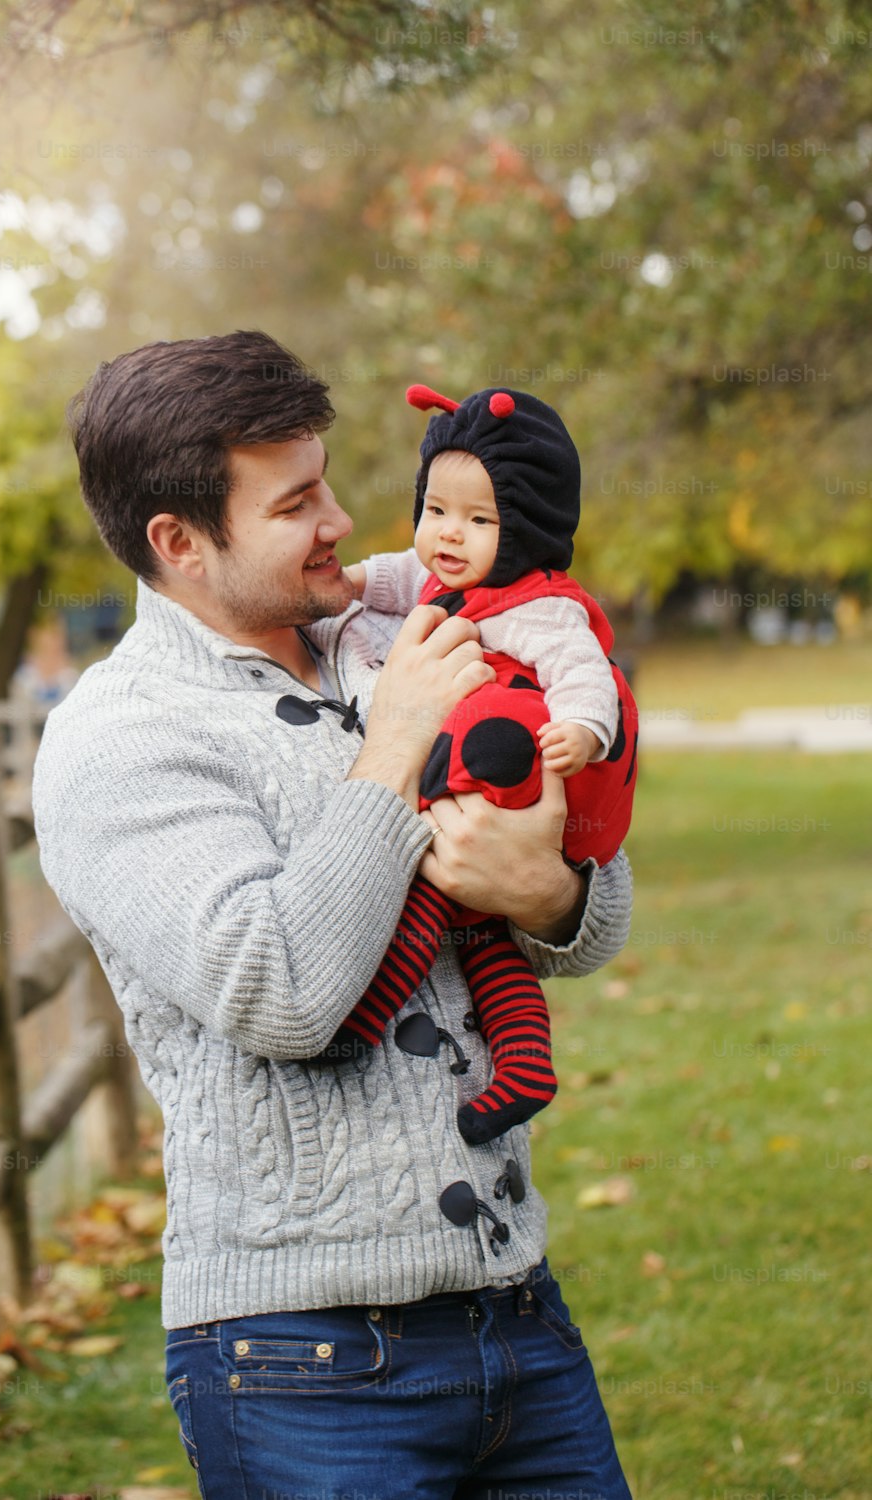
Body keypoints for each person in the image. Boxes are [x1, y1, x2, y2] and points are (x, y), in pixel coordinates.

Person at [31, 332, 634, 1499]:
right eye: (296, 501)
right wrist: (400, 739)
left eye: (329, 481)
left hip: (516, 1311)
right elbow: (279, 993)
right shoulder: (119, 737)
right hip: (297, 1362)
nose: (343, 519)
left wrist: (550, 893)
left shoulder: (382, 640)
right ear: (179, 542)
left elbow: (591, 910)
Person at [322, 382, 638, 1148]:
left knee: (432, 896)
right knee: (488, 944)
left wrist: (585, 731)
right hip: (483, 796)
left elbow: (583, 670)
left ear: (524, 528)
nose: (448, 536)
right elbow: (402, 573)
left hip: (512, 791)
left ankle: (356, 1026)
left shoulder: (539, 605)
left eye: (478, 519)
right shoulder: (443, 575)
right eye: (435, 511)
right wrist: (352, 584)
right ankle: (526, 1069)